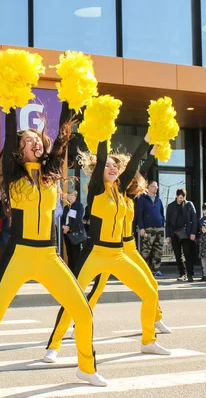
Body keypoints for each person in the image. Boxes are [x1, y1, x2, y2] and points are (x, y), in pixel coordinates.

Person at [0, 105, 107, 397]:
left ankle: (86, 367)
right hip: (18, 254)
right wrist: (10, 102)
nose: (35, 142)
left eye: (37, 139)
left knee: (82, 312)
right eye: (27, 140)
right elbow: (10, 135)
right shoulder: (14, 175)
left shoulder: (50, 173)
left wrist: (67, 100)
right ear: (19, 150)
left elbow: (62, 135)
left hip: (48, 254)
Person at [45, 134, 171, 364]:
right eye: (108, 166)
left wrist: (147, 140)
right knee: (74, 299)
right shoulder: (96, 189)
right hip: (95, 253)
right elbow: (102, 159)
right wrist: (102, 132)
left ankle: (148, 341)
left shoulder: (121, 190)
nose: (112, 168)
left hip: (118, 254)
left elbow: (135, 165)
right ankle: (54, 344)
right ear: (100, 169)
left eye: (116, 166)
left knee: (150, 292)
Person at [165, 188, 197, 282]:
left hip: (186, 233)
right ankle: (182, 273)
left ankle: (190, 274)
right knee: (178, 255)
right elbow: (168, 221)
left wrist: (193, 233)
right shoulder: (171, 206)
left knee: (188, 254)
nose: (181, 199)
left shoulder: (189, 205)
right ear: (176, 196)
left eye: (183, 197)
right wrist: (168, 235)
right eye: (180, 197)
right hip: (175, 234)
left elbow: (194, 219)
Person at [136, 180, 166, 278]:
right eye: (153, 186)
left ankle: (156, 270)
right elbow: (139, 214)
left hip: (159, 228)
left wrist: (162, 223)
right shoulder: (142, 199)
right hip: (148, 229)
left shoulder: (158, 200)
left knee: (158, 250)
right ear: (148, 187)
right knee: (146, 250)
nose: (156, 188)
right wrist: (141, 228)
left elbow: (161, 213)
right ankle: (144, 270)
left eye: (156, 186)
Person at [61, 189, 85, 275]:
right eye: (69, 196)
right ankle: (71, 272)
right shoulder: (66, 207)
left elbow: (78, 218)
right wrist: (63, 226)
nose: (70, 197)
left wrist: (69, 226)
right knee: (69, 252)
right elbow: (62, 219)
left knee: (76, 253)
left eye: (72, 196)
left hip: (75, 232)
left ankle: (77, 272)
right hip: (67, 233)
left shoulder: (79, 206)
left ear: (75, 196)